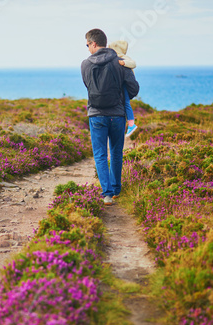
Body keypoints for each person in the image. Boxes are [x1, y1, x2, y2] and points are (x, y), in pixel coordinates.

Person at [81, 29, 139, 206]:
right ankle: (116, 190)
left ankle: (106, 195)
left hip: (96, 115)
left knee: (99, 154)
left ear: (94, 44)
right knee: (115, 152)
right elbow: (134, 89)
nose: (87, 48)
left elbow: (88, 85)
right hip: (117, 115)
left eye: (87, 45)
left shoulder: (85, 64)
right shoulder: (120, 62)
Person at [109, 40, 138, 137]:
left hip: (125, 83)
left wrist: (123, 63)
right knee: (124, 102)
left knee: (126, 102)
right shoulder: (115, 57)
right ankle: (129, 124)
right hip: (122, 83)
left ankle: (131, 124)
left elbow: (133, 63)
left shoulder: (123, 57)